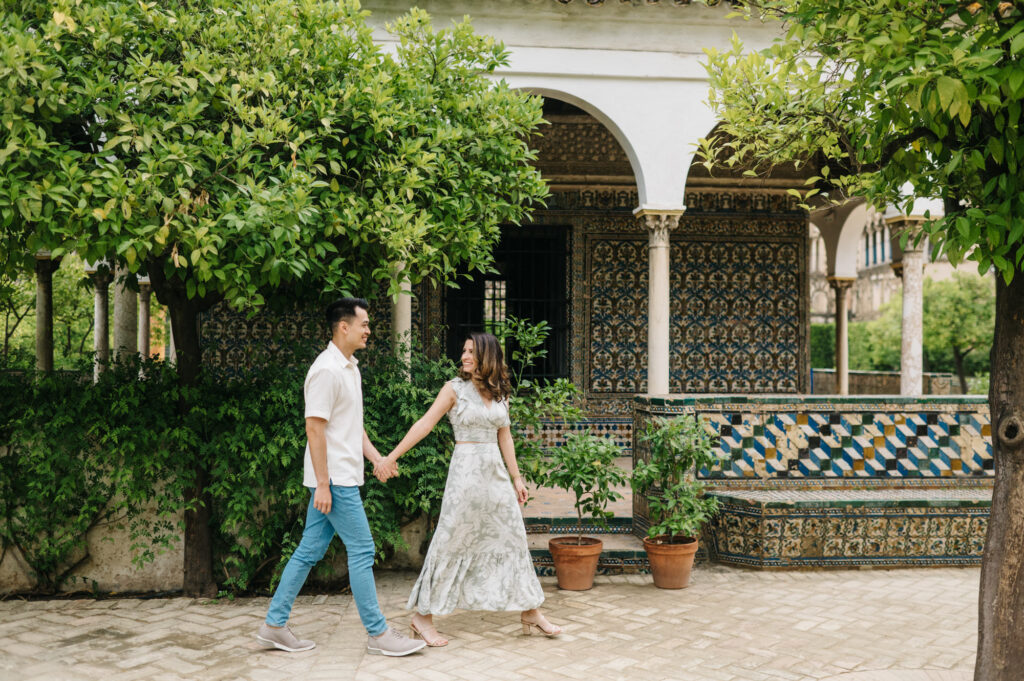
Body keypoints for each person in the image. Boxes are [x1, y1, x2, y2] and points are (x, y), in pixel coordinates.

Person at [255, 298, 425, 657]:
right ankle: (378, 634)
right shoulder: (326, 370)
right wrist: (322, 483)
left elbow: (350, 427)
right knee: (363, 549)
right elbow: (314, 429)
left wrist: (378, 458)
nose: (369, 330)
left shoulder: (350, 368)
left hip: (343, 475)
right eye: (363, 324)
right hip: (334, 480)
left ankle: (274, 625)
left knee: (308, 551)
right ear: (343, 327)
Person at [379, 331, 562, 647]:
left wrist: (517, 478)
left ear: (486, 357)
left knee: (512, 538)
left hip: (495, 477)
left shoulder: (501, 393)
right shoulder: (454, 389)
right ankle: (422, 619)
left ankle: (531, 611)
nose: (464, 356)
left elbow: (504, 436)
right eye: (463, 351)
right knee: (451, 540)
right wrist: (392, 456)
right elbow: (425, 423)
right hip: (466, 474)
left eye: (470, 352)